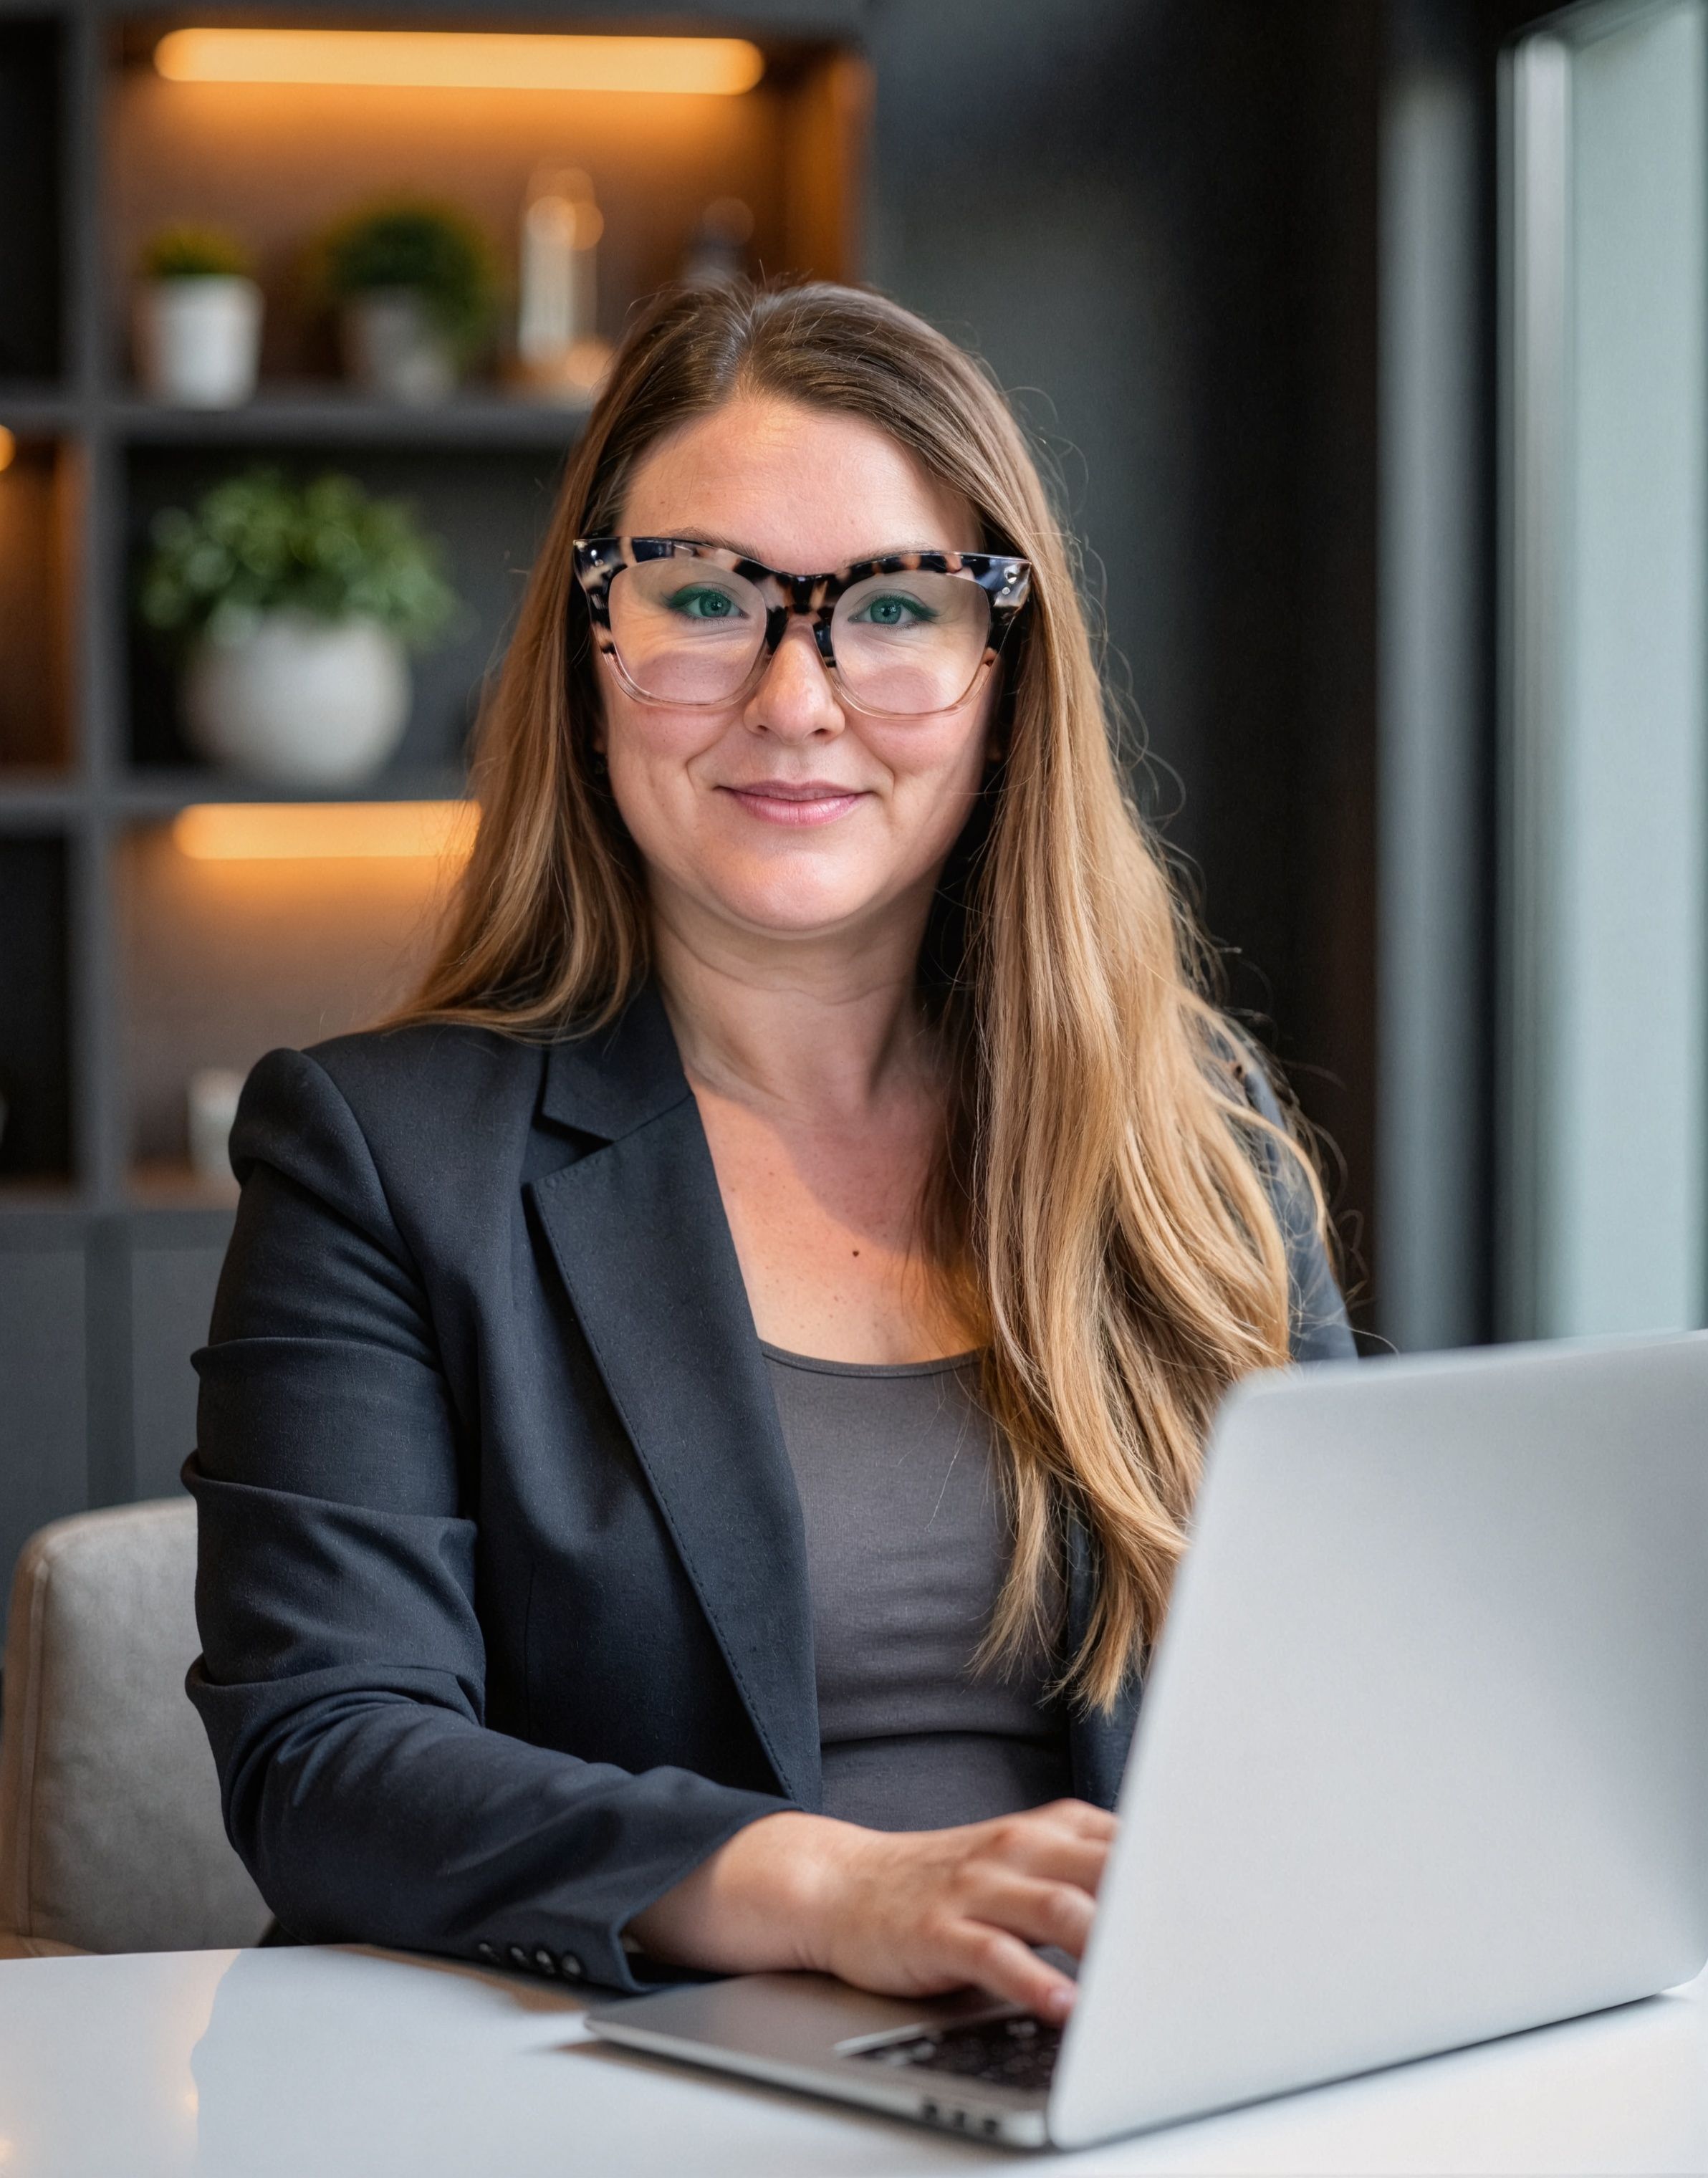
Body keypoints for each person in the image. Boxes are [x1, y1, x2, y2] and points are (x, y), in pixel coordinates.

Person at [188, 279, 1353, 2028]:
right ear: (592, 654)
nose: (797, 697)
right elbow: (330, 1757)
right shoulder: (377, 1151)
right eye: (707, 599)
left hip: (1121, 2077)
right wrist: (842, 1885)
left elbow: (1358, 1675)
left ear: (1000, 676)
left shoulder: (1193, 1132)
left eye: (893, 605)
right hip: (589, 2103)